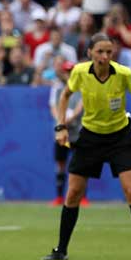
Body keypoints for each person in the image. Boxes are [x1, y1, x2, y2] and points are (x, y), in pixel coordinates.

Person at [44, 33, 131, 260]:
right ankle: (61, 250)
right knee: (73, 192)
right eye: (100, 52)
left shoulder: (123, 73)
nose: (105, 56)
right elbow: (65, 96)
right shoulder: (79, 72)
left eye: (109, 52)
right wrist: (61, 126)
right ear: (90, 53)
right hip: (90, 138)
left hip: (119, 138)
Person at [48, 60, 84, 207]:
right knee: (61, 164)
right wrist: (61, 120)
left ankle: (82, 197)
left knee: (80, 165)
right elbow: (53, 107)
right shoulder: (57, 88)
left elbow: (80, 106)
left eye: (71, 72)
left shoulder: (81, 88)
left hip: (76, 132)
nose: (69, 75)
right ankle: (59, 197)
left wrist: (71, 118)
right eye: (66, 72)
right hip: (61, 132)